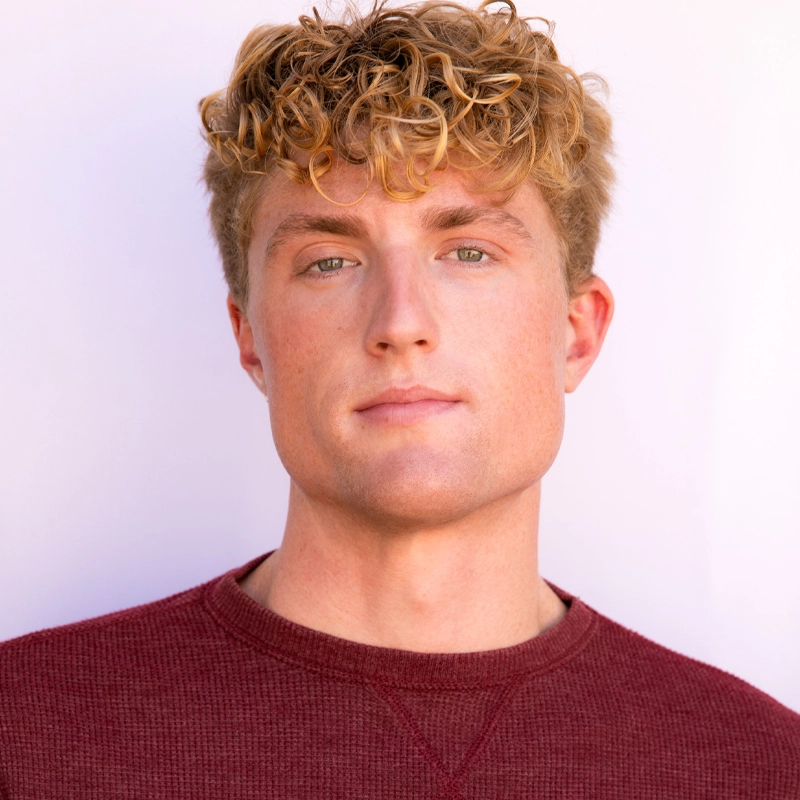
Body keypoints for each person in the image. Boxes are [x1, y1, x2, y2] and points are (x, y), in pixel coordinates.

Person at [1, 0, 798, 796]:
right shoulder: (25, 735)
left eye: (469, 252)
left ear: (577, 332)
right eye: (329, 262)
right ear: (251, 339)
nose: (401, 323)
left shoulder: (760, 767)